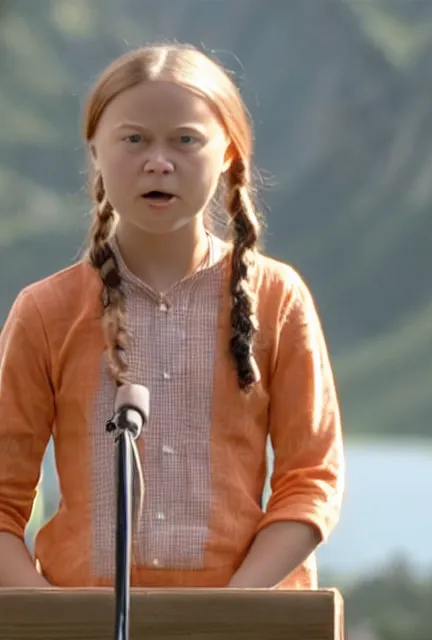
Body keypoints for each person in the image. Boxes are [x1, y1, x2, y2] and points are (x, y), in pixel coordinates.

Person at [0, 43, 344, 589]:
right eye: (133, 139)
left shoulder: (279, 298)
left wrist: (233, 608)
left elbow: (311, 479)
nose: (158, 161)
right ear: (94, 151)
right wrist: (52, 615)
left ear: (229, 151)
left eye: (185, 140)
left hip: (248, 623)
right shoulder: (44, 312)